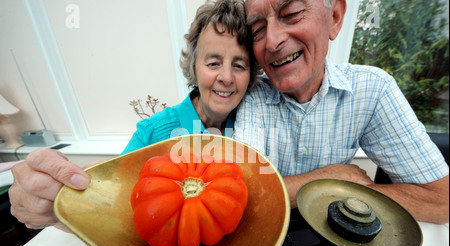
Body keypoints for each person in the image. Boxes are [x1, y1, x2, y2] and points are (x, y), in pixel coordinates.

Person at [8, 0, 259, 230]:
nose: (226, 77)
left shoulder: (257, 123)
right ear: (194, 67)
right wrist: (57, 205)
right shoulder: (152, 132)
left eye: (239, 65)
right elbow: (111, 206)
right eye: (213, 63)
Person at [233, 0, 449, 224]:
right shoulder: (250, 94)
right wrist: (333, 181)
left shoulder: (372, 89)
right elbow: (242, 197)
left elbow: (441, 200)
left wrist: (349, 191)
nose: (272, 41)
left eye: (292, 14)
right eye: (258, 30)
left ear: (335, 17)